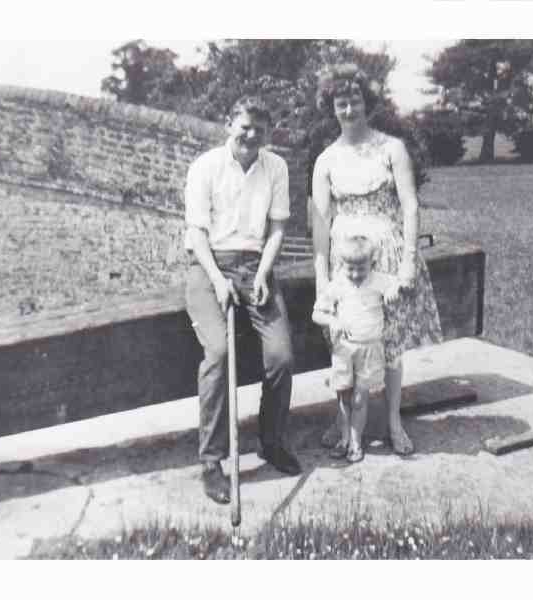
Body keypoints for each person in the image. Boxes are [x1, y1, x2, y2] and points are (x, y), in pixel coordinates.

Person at [311, 64, 444, 456]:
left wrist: (407, 262)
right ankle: (344, 420)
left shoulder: (391, 148)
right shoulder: (326, 160)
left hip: (385, 257)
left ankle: (392, 421)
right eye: (341, 103)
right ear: (331, 108)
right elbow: (320, 225)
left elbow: (410, 206)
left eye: (355, 101)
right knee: (346, 341)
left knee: (389, 344)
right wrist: (322, 278)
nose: (349, 109)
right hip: (345, 262)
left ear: (368, 104)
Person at [184, 96, 301, 505]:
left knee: (281, 356)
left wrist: (265, 273)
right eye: (245, 126)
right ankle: (212, 462)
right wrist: (217, 280)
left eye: (261, 128)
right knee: (218, 352)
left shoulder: (276, 168)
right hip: (209, 266)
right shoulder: (205, 167)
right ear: (228, 123)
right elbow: (197, 235)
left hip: (256, 267)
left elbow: (277, 229)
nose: (252, 135)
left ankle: (270, 441)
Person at [311, 234, 400, 463]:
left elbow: (396, 284)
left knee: (360, 398)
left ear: (372, 263)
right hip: (344, 349)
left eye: (361, 269)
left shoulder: (379, 280)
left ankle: (356, 440)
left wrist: (392, 292)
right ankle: (343, 438)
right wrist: (333, 321)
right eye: (350, 268)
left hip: (370, 349)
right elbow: (317, 313)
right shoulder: (339, 284)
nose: (355, 274)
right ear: (342, 265)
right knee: (343, 395)